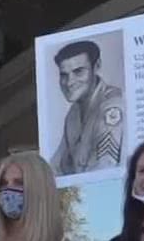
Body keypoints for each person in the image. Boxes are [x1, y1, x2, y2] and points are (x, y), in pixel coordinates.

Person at [48, 40, 125, 176]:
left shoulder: (112, 107)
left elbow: (105, 169)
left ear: (97, 66)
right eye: (64, 75)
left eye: (78, 72)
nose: (70, 82)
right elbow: (56, 167)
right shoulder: (73, 113)